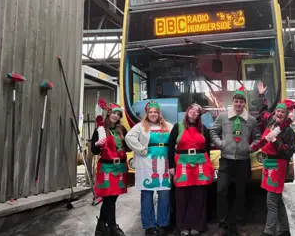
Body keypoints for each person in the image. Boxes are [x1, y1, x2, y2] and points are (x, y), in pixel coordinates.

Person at [210, 87, 261, 236]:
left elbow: (258, 137)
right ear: (233, 102)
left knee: (241, 192)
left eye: (241, 101)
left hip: (243, 161)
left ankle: (239, 222)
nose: (238, 104)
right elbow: (213, 131)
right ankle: (223, 224)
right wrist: (221, 144)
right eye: (236, 101)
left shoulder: (251, 120)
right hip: (226, 160)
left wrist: (250, 148)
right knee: (221, 190)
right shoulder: (223, 117)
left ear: (244, 103)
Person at [125, 101, 174, 236]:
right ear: (147, 113)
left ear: (159, 114)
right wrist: (141, 150)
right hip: (146, 164)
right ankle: (149, 225)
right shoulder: (140, 126)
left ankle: (163, 224)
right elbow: (129, 137)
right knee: (146, 195)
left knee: (164, 195)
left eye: (155, 112)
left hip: (164, 164)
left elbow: (176, 138)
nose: (153, 114)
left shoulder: (169, 126)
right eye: (151, 112)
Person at [250, 102, 295, 236]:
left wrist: (276, 141)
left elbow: (288, 152)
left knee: (271, 201)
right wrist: (262, 98)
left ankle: (269, 232)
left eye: (283, 112)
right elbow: (263, 114)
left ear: (287, 115)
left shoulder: (288, 131)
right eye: (278, 111)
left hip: (279, 166)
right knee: (277, 199)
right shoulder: (271, 125)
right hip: (268, 164)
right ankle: (284, 230)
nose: (279, 114)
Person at [167, 103, 214, 236]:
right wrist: (171, 166)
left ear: (199, 115)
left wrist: (208, 166)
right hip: (182, 166)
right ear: (187, 112)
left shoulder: (203, 129)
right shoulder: (178, 127)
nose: (194, 112)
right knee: (182, 197)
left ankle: (197, 226)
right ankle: (183, 227)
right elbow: (170, 147)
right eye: (192, 109)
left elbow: (207, 150)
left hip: (200, 166)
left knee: (199, 196)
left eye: (197, 111)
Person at [91, 101, 130, 236]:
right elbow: (94, 151)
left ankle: (102, 226)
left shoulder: (122, 129)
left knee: (113, 198)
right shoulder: (100, 129)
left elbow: (128, 147)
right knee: (109, 198)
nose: (115, 116)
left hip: (120, 167)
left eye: (118, 115)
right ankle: (111, 226)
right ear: (108, 113)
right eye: (114, 113)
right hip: (107, 167)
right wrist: (97, 143)